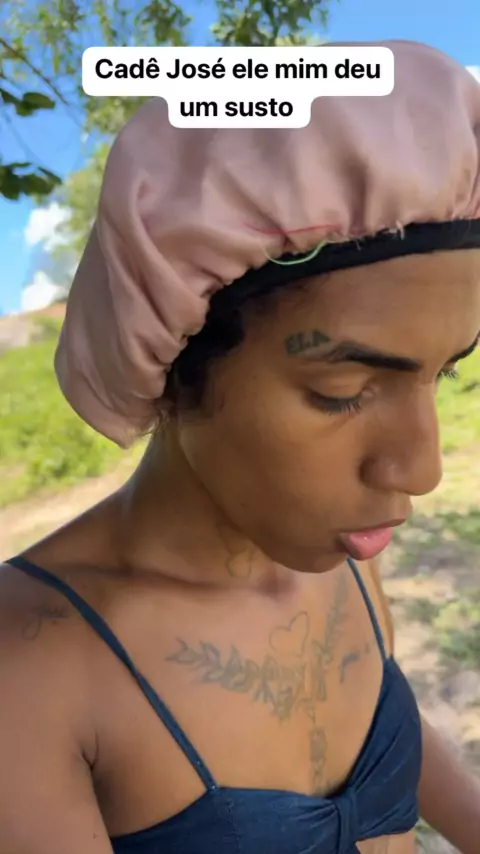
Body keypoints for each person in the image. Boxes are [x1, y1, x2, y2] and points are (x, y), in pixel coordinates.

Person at [1, 39, 480, 854]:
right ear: (173, 366)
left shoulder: (345, 556)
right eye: (342, 391)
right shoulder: (31, 665)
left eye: (445, 373)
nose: (422, 470)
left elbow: (381, 713)